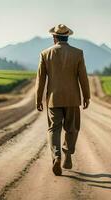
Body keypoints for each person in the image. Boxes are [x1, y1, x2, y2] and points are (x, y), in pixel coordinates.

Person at [35, 24, 90, 176]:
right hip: (73, 99)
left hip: (54, 99)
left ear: (54, 38)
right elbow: (83, 77)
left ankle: (56, 156)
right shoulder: (78, 53)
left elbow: (40, 79)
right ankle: (68, 154)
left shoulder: (45, 54)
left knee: (54, 129)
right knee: (72, 128)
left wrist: (38, 99)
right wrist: (87, 96)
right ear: (67, 37)